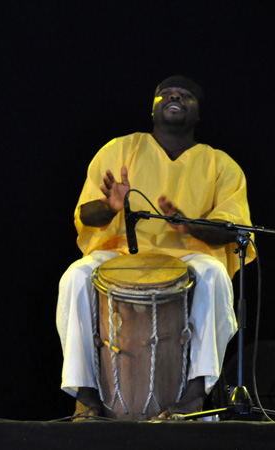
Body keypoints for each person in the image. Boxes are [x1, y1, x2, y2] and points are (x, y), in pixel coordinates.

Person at [56, 75, 255, 420]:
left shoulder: (220, 164)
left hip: (189, 255)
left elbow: (233, 228)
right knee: (74, 276)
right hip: (122, 253)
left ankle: (195, 395)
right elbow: (86, 213)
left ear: (198, 113)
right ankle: (85, 397)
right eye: (166, 93)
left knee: (217, 275)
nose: (174, 97)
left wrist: (188, 224)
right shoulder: (120, 149)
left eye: (186, 95)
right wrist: (111, 207)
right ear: (153, 108)